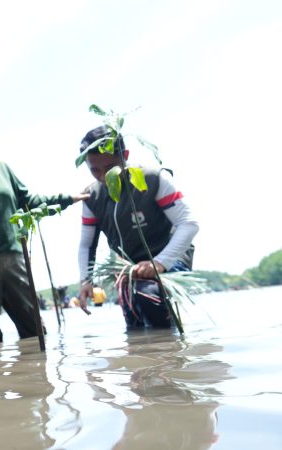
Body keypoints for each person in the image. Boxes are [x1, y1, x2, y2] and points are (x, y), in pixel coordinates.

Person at [0, 109, 87, 345]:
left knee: (35, 332)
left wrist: (69, 198)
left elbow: (29, 203)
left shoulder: (2, 169)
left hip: (14, 262)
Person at [76, 125, 199, 329]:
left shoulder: (154, 179)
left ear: (125, 156)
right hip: (128, 268)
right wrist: (85, 281)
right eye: (94, 170)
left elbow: (189, 224)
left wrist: (159, 263)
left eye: (109, 168)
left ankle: (170, 355)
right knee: (135, 325)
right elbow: (86, 245)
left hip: (168, 258)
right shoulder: (91, 196)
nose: (103, 176)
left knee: (147, 296)